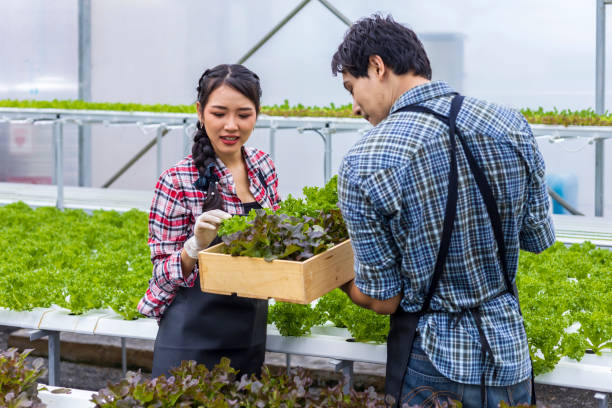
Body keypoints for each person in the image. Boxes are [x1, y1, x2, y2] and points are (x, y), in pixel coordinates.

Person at [331, 15, 555, 408]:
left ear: (377, 66)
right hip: (510, 353)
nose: (354, 106)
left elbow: (383, 299)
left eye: (353, 88)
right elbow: (537, 238)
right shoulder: (512, 124)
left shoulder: (366, 160)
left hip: (433, 359)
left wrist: (331, 274)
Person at [137, 64, 280, 378]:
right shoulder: (176, 180)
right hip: (190, 341)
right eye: (219, 113)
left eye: (244, 114)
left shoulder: (262, 166)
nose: (231, 126)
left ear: (258, 113)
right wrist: (193, 247)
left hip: (248, 333)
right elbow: (160, 274)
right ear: (200, 112)